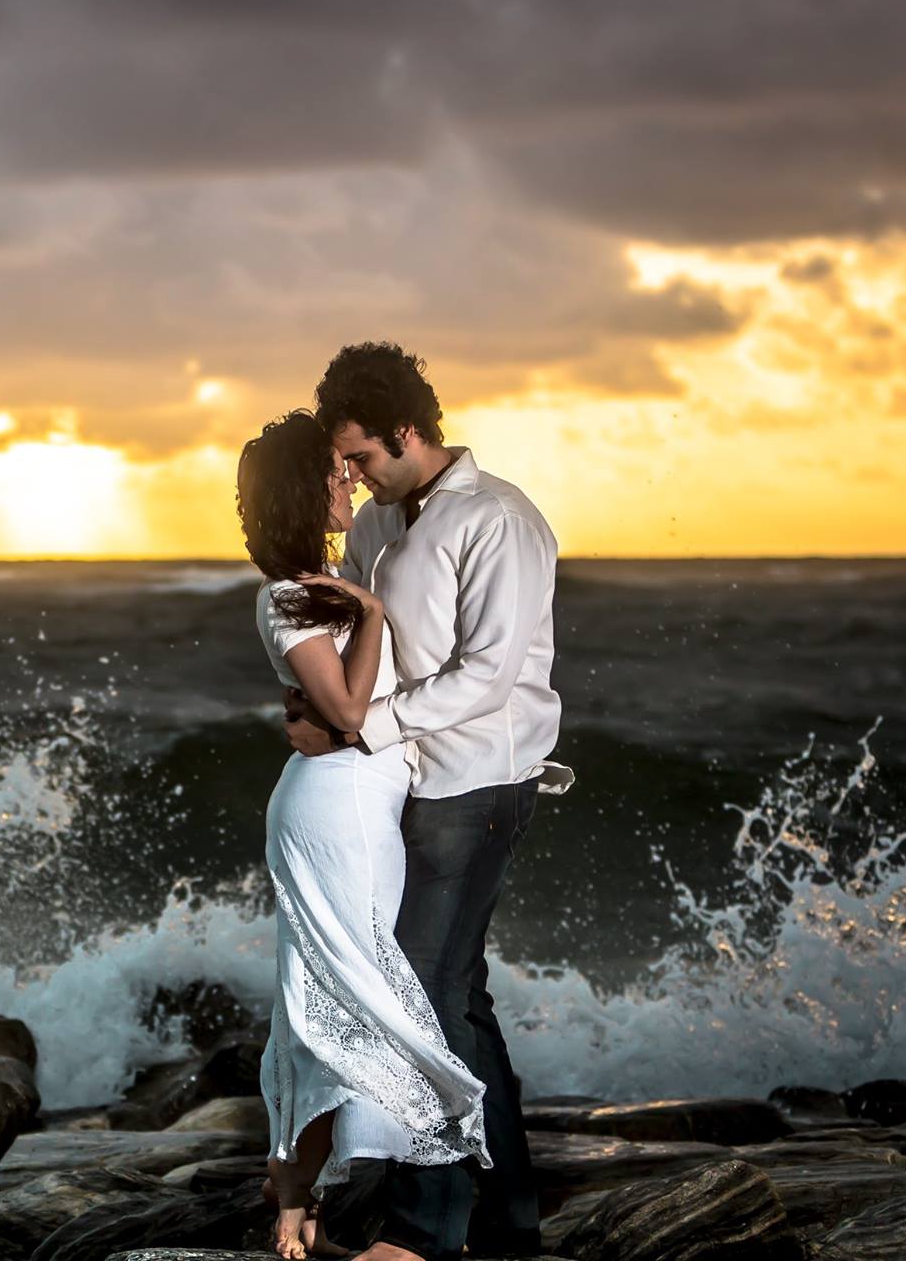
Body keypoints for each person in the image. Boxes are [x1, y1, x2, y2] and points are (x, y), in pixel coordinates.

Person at [288, 341, 573, 1261]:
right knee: (457, 994)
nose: (355, 476)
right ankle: (512, 1212)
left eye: (363, 456)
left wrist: (362, 730)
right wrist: (323, 707)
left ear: (408, 432)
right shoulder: (380, 523)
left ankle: (426, 1230)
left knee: (421, 992)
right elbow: (379, 654)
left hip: (478, 780)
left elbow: (486, 678)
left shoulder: (500, 520)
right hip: (407, 778)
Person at [236, 409, 493, 1261]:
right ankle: (315, 1205)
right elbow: (348, 712)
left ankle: (296, 1208)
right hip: (337, 810)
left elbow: (335, 709)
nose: (349, 480)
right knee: (347, 995)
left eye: (351, 469)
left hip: (353, 800)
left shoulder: (322, 578)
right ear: (303, 491)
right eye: (334, 474)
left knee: (331, 999)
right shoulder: (292, 595)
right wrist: (375, 614)